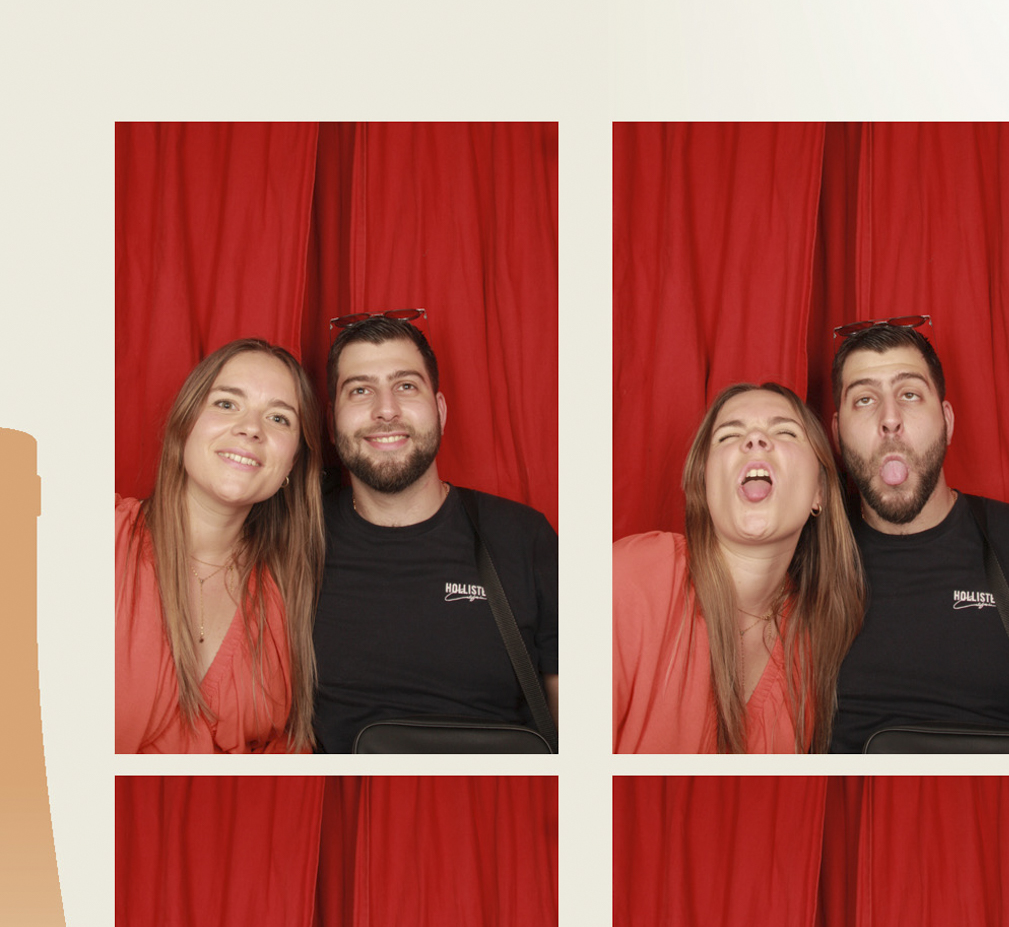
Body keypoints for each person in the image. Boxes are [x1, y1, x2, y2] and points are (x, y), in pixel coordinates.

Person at [312, 313, 558, 752]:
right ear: (332, 422)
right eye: (360, 390)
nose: (386, 409)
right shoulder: (297, 535)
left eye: (406, 385)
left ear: (440, 411)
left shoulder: (523, 537)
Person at [827, 320, 1009, 751]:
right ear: (836, 434)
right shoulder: (808, 552)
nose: (890, 420)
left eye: (910, 394)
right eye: (864, 399)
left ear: (948, 421)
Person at [613, 384, 865, 754]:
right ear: (703, 484)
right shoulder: (628, 579)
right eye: (729, 435)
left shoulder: (817, 642)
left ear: (820, 492)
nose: (756, 440)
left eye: (785, 432)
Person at [116, 339, 324, 753]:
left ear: (292, 463)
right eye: (227, 404)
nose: (251, 428)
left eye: (279, 418)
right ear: (185, 424)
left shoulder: (290, 589)